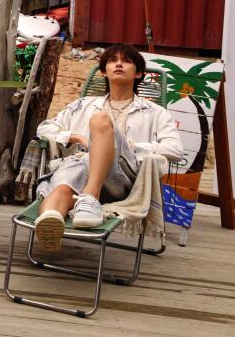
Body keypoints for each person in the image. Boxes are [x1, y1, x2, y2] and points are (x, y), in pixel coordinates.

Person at [32, 44, 183, 250]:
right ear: (104, 71)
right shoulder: (83, 104)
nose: (119, 64)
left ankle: (90, 196)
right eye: (112, 61)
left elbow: (175, 149)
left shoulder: (154, 113)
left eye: (126, 61)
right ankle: (51, 223)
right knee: (64, 186)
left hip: (120, 181)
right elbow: (45, 128)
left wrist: (128, 147)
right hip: (79, 171)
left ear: (138, 73)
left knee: (101, 121)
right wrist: (76, 138)